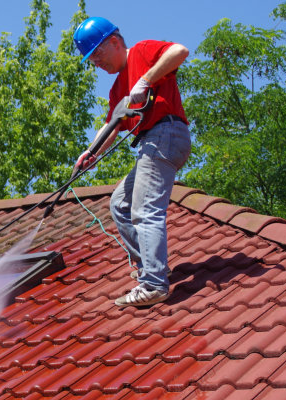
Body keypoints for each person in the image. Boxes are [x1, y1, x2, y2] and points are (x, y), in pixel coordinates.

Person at [72, 16, 192, 307]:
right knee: (120, 205)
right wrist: (91, 152)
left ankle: (153, 284)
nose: (96, 63)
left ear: (114, 42)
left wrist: (146, 79)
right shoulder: (117, 89)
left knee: (144, 208)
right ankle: (150, 269)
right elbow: (113, 125)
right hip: (153, 142)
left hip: (166, 133)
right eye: (91, 59)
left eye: (97, 54)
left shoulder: (141, 51)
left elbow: (180, 51)